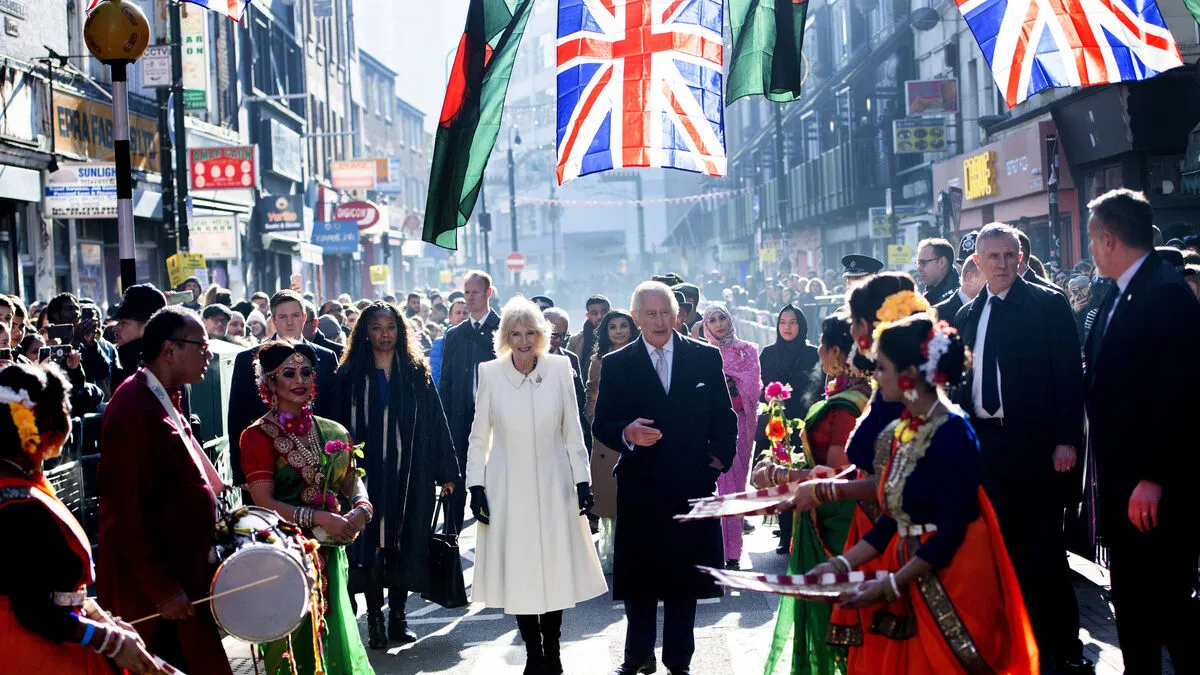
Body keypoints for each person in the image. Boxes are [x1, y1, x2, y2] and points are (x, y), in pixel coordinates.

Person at [807, 313, 1038, 674]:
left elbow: (952, 532)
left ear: (909, 375)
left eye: (881, 367)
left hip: (953, 578)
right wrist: (840, 564)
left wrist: (890, 585)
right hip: (912, 571)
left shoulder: (953, 432)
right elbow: (892, 517)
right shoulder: (904, 429)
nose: (875, 376)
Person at [953, 223, 1091, 674]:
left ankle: (1061, 647)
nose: (1003, 263)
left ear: (1021, 257)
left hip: (1036, 447)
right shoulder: (969, 314)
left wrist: (1066, 439)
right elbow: (961, 383)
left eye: (1010, 255)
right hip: (985, 448)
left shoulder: (1047, 305)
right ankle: (1015, 642)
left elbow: (1069, 377)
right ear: (978, 263)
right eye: (993, 257)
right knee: (997, 550)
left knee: (1044, 551)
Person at [592, 281, 738, 675]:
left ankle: (679, 659)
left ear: (679, 315)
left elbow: (725, 419)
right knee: (639, 578)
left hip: (691, 483)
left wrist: (718, 461)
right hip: (641, 483)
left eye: (665, 313)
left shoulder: (705, 357)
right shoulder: (619, 363)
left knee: (683, 579)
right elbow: (602, 423)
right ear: (635, 316)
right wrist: (628, 433)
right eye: (650, 314)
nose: (658, 321)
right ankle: (637, 656)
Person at [1083, 188, 1199, 673]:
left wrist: (1152, 477)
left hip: (1152, 489)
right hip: (1121, 481)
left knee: (1169, 607)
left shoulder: (1165, 293)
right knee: (1132, 602)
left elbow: (1178, 395)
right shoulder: (1119, 291)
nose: (1090, 250)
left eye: (1092, 239)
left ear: (1109, 239)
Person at [466, 298, 607, 675]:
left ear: (542, 335)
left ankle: (555, 649)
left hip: (554, 478)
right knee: (520, 568)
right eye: (516, 333)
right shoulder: (490, 373)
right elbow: (479, 434)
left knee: (554, 565)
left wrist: (583, 480)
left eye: (530, 333)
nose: (524, 340)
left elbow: (573, 430)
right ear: (506, 337)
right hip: (506, 483)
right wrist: (475, 486)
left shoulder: (561, 368)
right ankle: (533, 652)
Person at [0, 362, 166, 674]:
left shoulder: (19, 486)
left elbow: (56, 590)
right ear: (43, 423)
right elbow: (34, 609)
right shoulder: (18, 506)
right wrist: (108, 640)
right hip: (31, 654)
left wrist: (97, 616)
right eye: (66, 407)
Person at [96, 307, 232, 675]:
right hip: (157, 595)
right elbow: (125, 510)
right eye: (201, 345)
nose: (209, 354)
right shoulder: (133, 406)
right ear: (169, 351)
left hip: (186, 575)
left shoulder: (167, 394)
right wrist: (162, 590)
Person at [239, 341, 375, 674]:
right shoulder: (257, 436)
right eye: (288, 373)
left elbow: (350, 478)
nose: (299, 380)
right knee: (293, 647)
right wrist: (321, 518)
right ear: (269, 383)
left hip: (329, 554)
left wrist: (361, 506)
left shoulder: (333, 430)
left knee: (337, 638)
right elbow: (264, 502)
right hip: (284, 557)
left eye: (306, 372)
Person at [331, 302, 459, 649]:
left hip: (409, 475)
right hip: (365, 477)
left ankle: (398, 617)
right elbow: (334, 429)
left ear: (400, 331)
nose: (384, 334)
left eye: (390, 327)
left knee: (402, 544)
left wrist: (446, 472)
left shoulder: (416, 372)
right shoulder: (349, 375)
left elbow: (437, 421)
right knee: (370, 546)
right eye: (376, 327)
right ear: (365, 332)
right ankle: (374, 619)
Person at [753, 311, 871, 675]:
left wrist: (779, 473)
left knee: (834, 623)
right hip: (848, 519)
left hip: (835, 525)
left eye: (822, 343)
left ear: (837, 353)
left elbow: (839, 474)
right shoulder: (862, 393)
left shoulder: (846, 406)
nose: (818, 350)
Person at [228, 290, 338, 485]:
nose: (290, 322)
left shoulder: (327, 358)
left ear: (304, 318)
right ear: (273, 320)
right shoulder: (249, 358)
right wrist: (240, 473)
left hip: (318, 462)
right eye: (283, 316)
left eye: (295, 316)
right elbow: (237, 416)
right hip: (265, 460)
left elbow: (334, 412)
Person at [757, 304, 824, 555]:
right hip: (777, 427)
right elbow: (760, 391)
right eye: (783, 322)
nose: (787, 327)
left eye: (793, 322)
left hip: (805, 425)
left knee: (803, 480)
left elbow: (818, 390)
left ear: (801, 325)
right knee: (780, 480)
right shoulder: (768, 354)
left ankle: (802, 533)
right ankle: (786, 535)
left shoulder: (813, 354)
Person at [701, 304, 762, 569]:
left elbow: (753, 386)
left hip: (740, 425)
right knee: (714, 488)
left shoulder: (747, 350)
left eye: (722, 317)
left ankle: (733, 553)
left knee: (735, 487)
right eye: (712, 320)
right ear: (706, 326)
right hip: (710, 428)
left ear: (730, 319)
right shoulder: (701, 352)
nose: (718, 324)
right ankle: (714, 550)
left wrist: (730, 385)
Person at [439, 271, 501, 532]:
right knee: (454, 486)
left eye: (475, 292)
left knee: (493, 485)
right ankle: (451, 543)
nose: (470, 298)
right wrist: (442, 422)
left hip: (495, 420)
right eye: (466, 293)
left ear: (488, 293)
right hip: (459, 420)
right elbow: (446, 382)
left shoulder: (504, 328)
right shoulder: (454, 335)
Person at [584, 309, 641, 571]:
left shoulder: (645, 355)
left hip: (640, 433)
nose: (619, 331)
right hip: (609, 439)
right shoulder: (599, 362)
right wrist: (602, 425)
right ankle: (615, 556)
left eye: (623, 326)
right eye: (613, 327)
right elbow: (591, 398)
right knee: (611, 503)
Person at [45, 292, 118, 393]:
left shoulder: (84, 341)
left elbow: (102, 372)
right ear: (56, 315)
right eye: (70, 309)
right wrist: (75, 342)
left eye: (77, 309)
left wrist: (92, 344)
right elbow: (60, 376)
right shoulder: (47, 340)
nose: (76, 313)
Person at [545, 307, 589, 452]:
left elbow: (581, 394)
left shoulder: (570, 358)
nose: (558, 340)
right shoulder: (527, 358)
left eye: (563, 335)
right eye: (553, 335)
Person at [110, 284, 169, 390]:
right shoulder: (124, 358)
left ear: (147, 326)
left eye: (123, 323)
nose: (115, 328)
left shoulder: (154, 366)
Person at [567, 295, 611, 388]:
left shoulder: (622, 336)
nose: (600, 316)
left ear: (610, 311)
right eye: (594, 313)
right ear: (588, 316)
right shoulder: (575, 341)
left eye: (604, 312)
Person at [430, 298, 469, 389]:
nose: (462, 316)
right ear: (450, 317)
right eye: (458, 313)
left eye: (465, 313)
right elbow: (436, 373)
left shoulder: (475, 341)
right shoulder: (439, 343)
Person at [933, 256, 982, 324]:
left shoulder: (987, 308)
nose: (991, 282)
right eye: (987, 278)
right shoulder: (937, 314)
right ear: (969, 277)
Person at [916, 238, 960, 305]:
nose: (919, 268)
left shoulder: (959, 299)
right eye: (918, 263)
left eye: (923, 262)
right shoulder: (928, 296)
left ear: (942, 262)